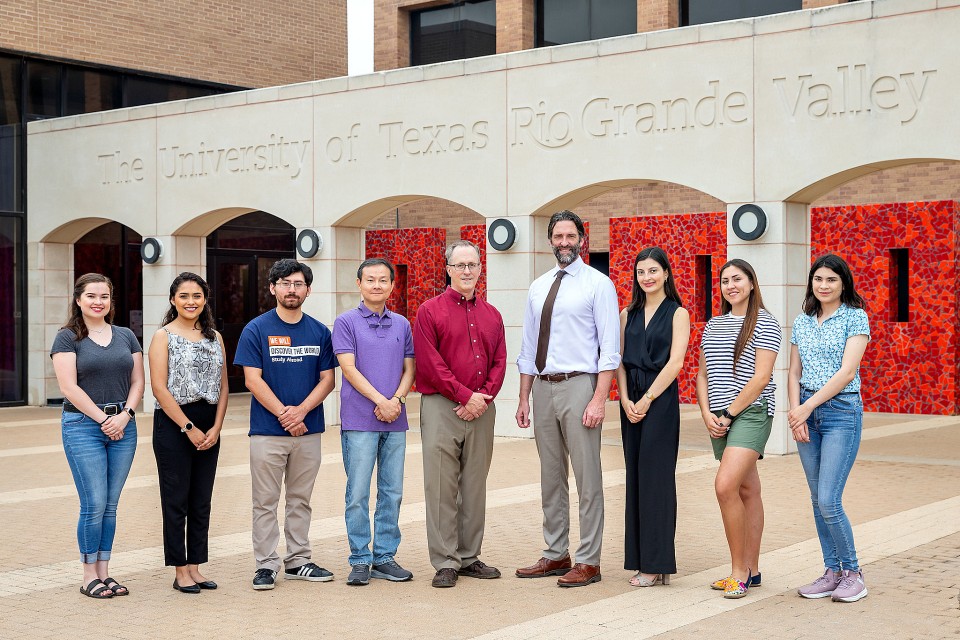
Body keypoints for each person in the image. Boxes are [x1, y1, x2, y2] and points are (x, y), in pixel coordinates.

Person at [515, 210, 620, 588]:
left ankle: (589, 559)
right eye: (558, 236)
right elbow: (528, 347)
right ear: (550, 240)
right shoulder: (538, 286)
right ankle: (556, 553)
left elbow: (610, 349)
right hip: (543, 387)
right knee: (551, 476)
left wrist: (599, 398)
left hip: (580, 386)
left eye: (570, 236)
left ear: (581, 239)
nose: (564, 242)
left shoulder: (598, 284)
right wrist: (524, 397)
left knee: (587, 476)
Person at [234, 258, 337, 591]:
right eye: (285, 283)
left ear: (308, 289)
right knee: (264, 501)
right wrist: (284, 414)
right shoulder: (256, 329)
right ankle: (266, 565)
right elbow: (252, 379)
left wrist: (301, 412)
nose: (292, 290)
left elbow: (327, 379)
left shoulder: (320, 331)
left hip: (308, 431)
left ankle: (298, 561)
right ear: (272, 288)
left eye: (298, 284)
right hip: (267, 431)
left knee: (300, 499)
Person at [413, 240, 507, 588]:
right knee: (440, 486)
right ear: (448, 269)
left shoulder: (492, 315)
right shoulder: (429, 311)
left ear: (480, 268)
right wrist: (466, 396)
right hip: (442, 406)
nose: (467, 271)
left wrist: (482, 398)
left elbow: (499, 360)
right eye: (460, 265)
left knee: (474, 485)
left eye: (473, 265)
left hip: (482, 407)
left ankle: (469, 557)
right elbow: (430, 363)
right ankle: (445, 561)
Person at [51, 273, 144, 599]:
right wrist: (105, 419)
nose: (98, 302)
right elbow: (68, 387)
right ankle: (88, 575)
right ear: (78, 300)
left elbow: (137, 382)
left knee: (111, 506)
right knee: (94, 504)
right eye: (91, 296)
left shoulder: (126, 336)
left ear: (110, 301)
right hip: (83, 426)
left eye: (104, 296)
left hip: (123, 425)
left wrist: (125, 416)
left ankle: (105, 572)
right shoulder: (67, 338)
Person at [696, 258, 781, 599]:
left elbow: (761, 378)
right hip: (718, 415)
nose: (731, 285)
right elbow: (702, 374)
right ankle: (753, 569)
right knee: (747, 490)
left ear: (751, 283)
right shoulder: (714, 325)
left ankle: (738, 571)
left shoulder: (765, 322)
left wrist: (729, 414)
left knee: (725, 486)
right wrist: (706, 414)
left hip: (749, 413)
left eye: (738, 279)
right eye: (725, 280)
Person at [788, 254, 870, 603]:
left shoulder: (856, 318)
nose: (823, 286)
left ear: (843, 283)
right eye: (818, 279)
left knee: (829, 499)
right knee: (816, 499)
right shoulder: (803, 320)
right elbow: (792, 371)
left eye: (831, 280)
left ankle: (853, 573)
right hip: (807, 413)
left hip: (840, 413)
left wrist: (807, 407)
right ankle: (832, 571)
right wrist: (797, 411)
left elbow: (847, 372)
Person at [333, 258, 416, 586]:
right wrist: (380, 401)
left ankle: (384, 557)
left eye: (383, 280)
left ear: (392, 285)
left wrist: (396, 401)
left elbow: (410, 368)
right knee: (357, 493)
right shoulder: (346, 322)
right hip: (359, 421)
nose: (377, 285)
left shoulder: (402, 324)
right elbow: (348, 369)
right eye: (370, 280)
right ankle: (359, 558)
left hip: (395, 420)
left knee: (392, 491)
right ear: (359, 284)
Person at [148, 272, 229, 594]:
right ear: (172, 300)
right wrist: (189, 428)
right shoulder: (162, 336)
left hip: (209, 422)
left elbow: (224, 386)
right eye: (184, 296)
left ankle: (196, 566)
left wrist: (217, 426)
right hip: (174, 423)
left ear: (205, 300)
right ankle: (179, 569)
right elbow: (158, 387)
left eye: (196, 296)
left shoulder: (215, 337)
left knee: (201, 501)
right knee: (176, 500)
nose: (191, 302)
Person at [615, 247, 690, 587]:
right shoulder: (626, 313)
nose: (647, 277)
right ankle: (642, 560)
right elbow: (617, 360)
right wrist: (626, 399)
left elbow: (676, 363)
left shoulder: (678, 313)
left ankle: (657, 564)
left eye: (653, 271)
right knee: (635, 478)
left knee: (656, 479)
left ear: (666, 274)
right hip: (629, 401)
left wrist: (646, 399)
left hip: (659, 399)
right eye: (641, 272)